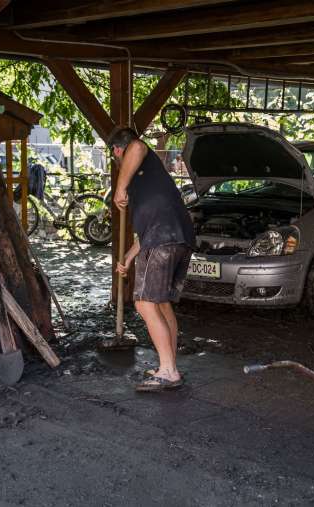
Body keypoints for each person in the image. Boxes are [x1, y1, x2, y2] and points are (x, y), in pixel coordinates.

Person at [111, 128, 196, 392]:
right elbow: (147, 232)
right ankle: (170, 365)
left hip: (163, 238)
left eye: (115, 154)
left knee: (145, 303)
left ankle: (168, 372)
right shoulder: (147, 181)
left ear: (117, 150)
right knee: (161, 303)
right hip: (175, 236)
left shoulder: (137, 153)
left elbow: (136, 146)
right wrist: (128, 256)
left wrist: (120, 187)